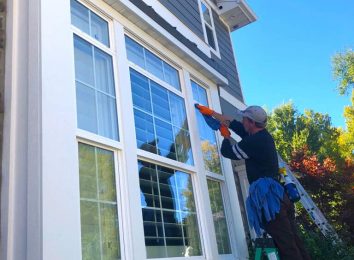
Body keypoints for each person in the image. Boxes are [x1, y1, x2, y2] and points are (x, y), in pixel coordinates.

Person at [197, 104, 311, 260]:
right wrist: (211, 113)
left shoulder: (254, 142)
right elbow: (232, 123)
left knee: (287, 247)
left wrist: (225, 137)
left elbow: (228, 152)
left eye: (244, 118)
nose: (241, 120)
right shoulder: (260, 135)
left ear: (250, 122)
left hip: (270, 201)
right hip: (280, 197)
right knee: (293, 242)